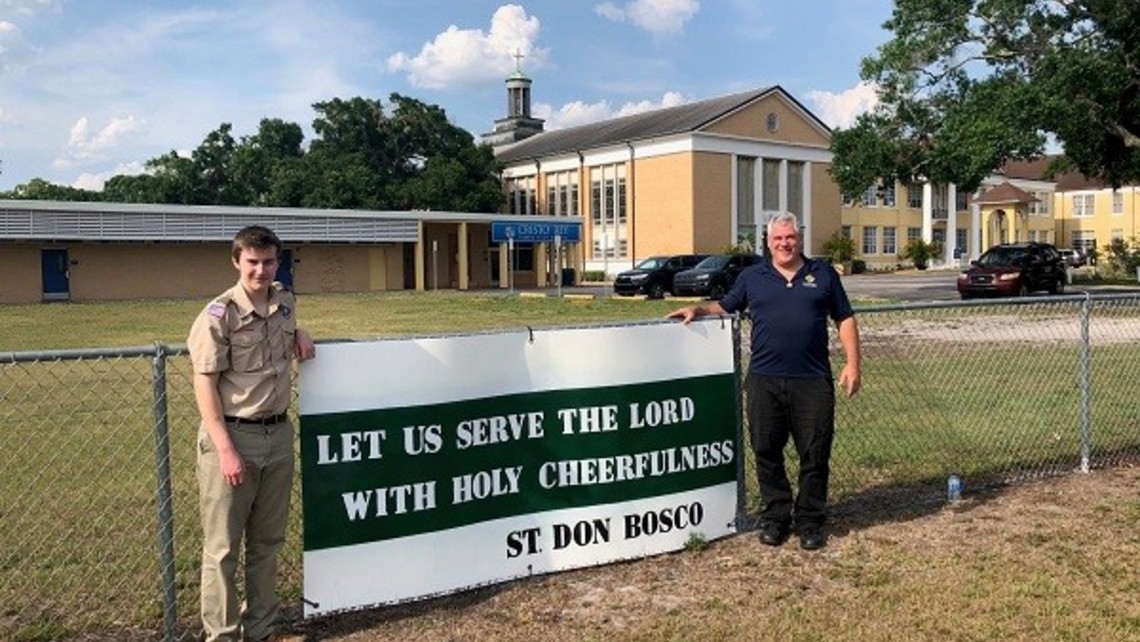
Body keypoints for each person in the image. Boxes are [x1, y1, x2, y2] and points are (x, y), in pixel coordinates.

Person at [667, 212, 861, 550]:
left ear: (799, 238)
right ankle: (776, 517)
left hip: (812, 380)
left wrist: (853, 364)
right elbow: (725, 305)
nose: (785, 243)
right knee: (765, 450)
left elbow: (844, 318)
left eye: (790, 237)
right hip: (764, 380)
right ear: (768, 242)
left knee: (815, 453)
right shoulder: (752, 276)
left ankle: (810, 520)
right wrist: (697, 310)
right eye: (778, 239)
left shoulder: (823, 275)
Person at [188, 225, 316, 642]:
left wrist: (300, 332)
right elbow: (204, 384)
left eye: (268, 261)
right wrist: (225, 450)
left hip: (278, 436)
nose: (261, 270)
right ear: (236, 261)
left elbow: (285, 335)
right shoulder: (218, 315)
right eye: (252, 262)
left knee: (267, 543)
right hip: (234, 437)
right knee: (223, 549)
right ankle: (222, 636)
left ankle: (261, 630)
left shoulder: (284, 303)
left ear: (278, 262)